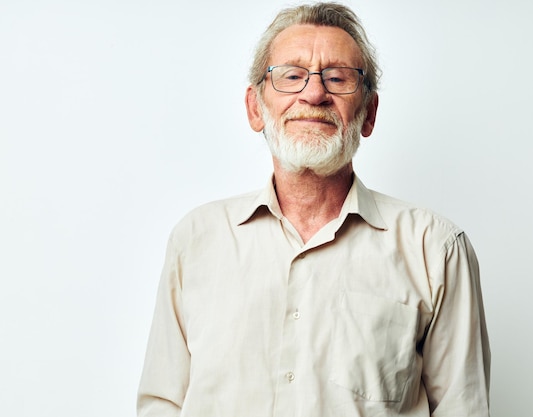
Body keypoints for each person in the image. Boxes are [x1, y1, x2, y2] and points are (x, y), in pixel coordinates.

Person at [137, 2, 490, 416]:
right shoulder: (196, 239)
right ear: (255, 108)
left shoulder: (436, 249)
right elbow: (162, 403)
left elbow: (463, 409)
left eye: (338, 78)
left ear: (369, 113)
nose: (314, 93)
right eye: (291, 76)